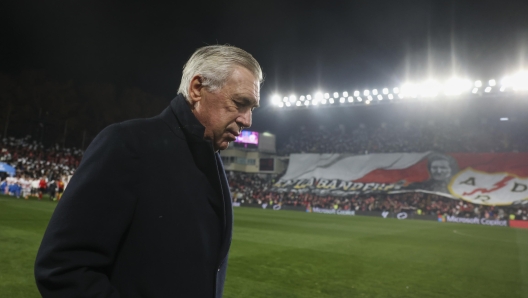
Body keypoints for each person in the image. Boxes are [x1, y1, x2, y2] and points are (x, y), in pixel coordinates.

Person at [34, 45, 262, 298]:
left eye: (252, 108)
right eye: (240, 103)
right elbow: (63, 268)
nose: (247, 120)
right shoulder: (127, 144)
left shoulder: (212, 158)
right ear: (197, 89)